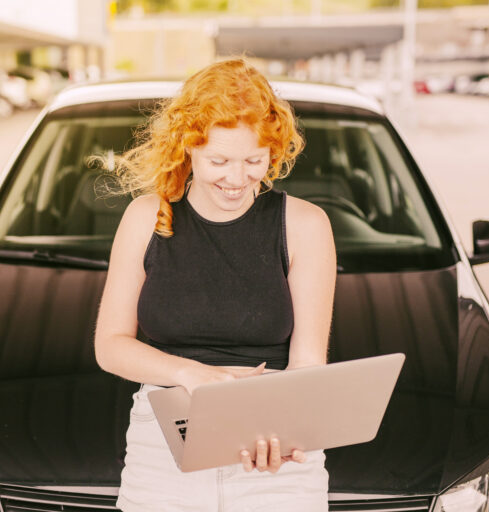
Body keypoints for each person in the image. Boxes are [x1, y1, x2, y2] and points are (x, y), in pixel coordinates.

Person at [93, 58, 337, 511]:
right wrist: (192, 376)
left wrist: (287, 431)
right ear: (188, 147)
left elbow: (308, 364)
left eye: (254, 161)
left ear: (274, 152)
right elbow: (110, 346)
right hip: (164, 445)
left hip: (274, 449)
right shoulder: (145, 217)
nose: (237, 178)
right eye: (219, 160)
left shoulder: (305, 225)